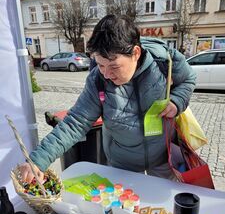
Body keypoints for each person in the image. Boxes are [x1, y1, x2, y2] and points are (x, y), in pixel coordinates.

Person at [19, 14, 196, 183]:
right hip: (122, 164)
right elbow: (76, 122)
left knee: (163, 211)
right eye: (101, 65)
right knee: (125, 212)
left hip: (164, 158)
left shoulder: (164, 61)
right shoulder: (98, 80)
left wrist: (177, 100)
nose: (107, 74)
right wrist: (38, 160)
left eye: (114, 66)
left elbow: (188, 80)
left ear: (135, 53)